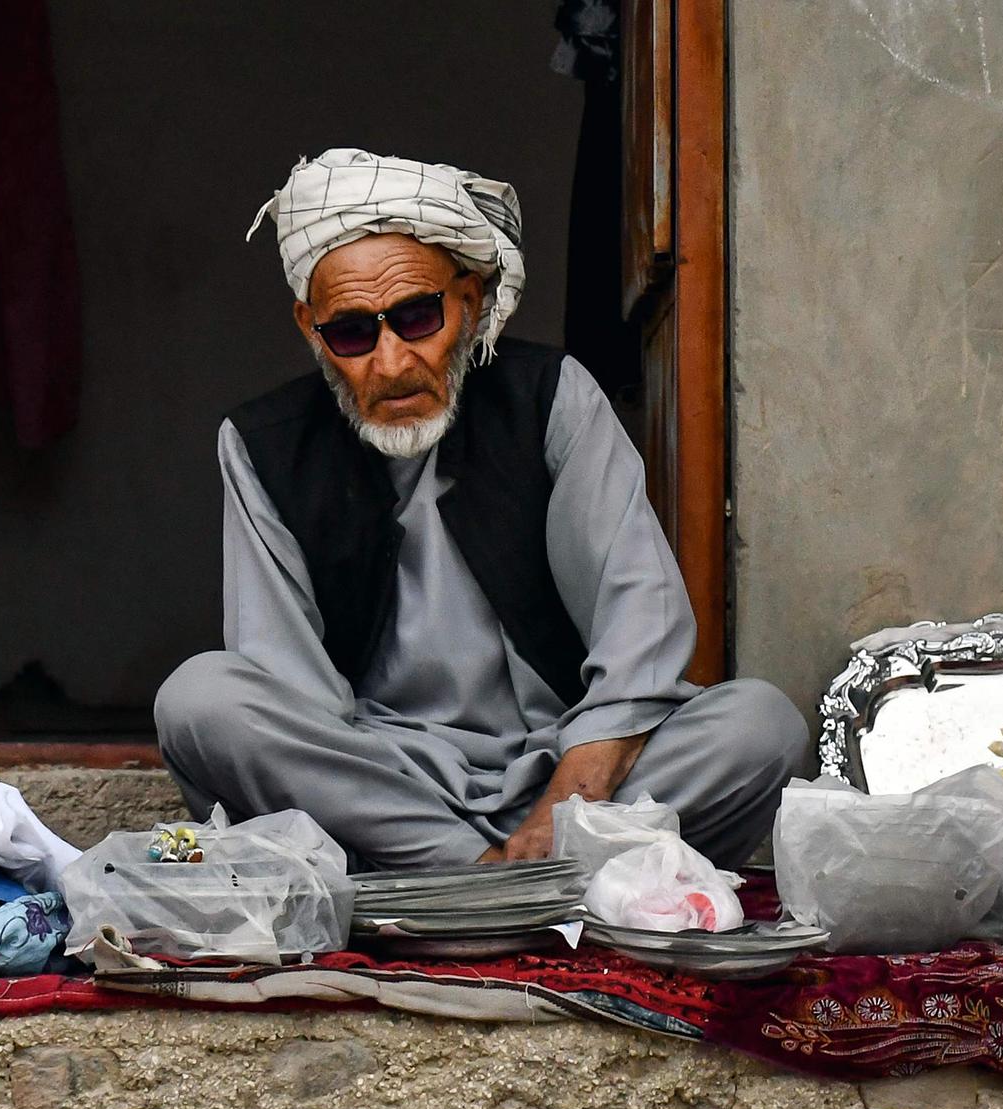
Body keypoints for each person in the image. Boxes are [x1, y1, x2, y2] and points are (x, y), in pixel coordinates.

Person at [155, 147, 808, 871]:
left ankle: (479, 890)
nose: (392, 362)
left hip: (565, 772)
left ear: (468, 301)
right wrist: (457, 842)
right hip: (388, 789)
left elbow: (639, 632)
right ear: (311, 329)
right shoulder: (262, 445)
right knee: (199, 701)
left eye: (417, 316)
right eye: (352, 332)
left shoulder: (550, 397)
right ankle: (492, 881)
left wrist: (567, 806)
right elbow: (290, 699)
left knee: (759, 723)